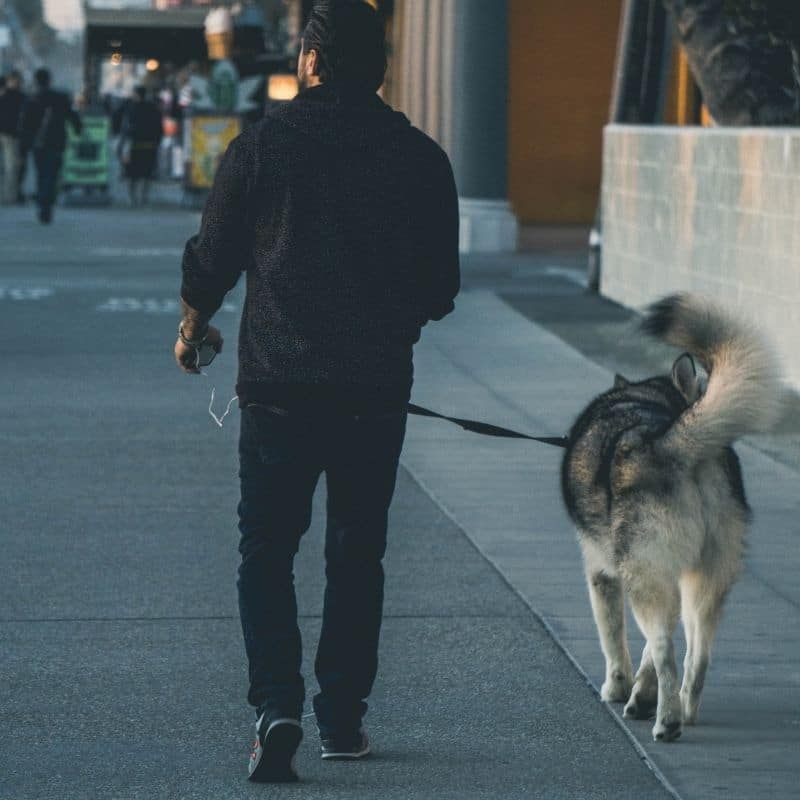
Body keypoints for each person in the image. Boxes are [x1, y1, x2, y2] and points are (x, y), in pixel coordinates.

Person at [173, 0, 460, 784]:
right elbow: (441, 289)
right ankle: (342, 719)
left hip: (277, 388)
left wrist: (193, 329)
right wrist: (388, 320)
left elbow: (212, 257)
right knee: (356, 553)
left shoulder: (262, 148)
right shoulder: (421, 159)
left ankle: (276, 707)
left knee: (266, 551)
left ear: (309, 61)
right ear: (383, 68)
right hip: (373, 388)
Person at [18, 68, 82, 224]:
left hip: (38, 144)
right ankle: (47, 203)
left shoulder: (32, 99)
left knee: (41, 174)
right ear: (49, 80)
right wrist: (78, 129)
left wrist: (23, 148)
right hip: (57, 142)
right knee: (52, 174)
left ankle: (42, 203)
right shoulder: (60, 98)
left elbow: (25, 126)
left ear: (36, 81)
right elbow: (72, 116)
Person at [119, 85, 163, 206]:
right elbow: (159, 127)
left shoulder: (131, 108)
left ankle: (132, 198)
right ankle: (144, 197)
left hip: (134, 144)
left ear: (136, 94)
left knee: (132, 173)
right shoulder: (153, 108)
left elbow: (125, 127)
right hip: (149, 145)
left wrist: (122, 144)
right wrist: (157, 142)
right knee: (146, 172)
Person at [0, 71, 25, 204]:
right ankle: (9, 197)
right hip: (10, 135)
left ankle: (8, 195)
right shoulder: (20, 97)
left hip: (6, 133)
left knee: (9, 167)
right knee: (11, 167)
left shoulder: (3, 95)